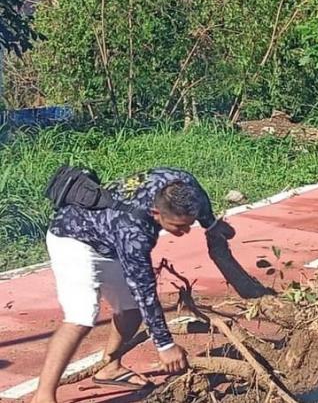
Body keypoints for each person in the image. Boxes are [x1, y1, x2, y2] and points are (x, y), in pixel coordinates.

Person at [31, 167, 234, 403]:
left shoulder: (183, 184)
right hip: (73, 238)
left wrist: (210, 225)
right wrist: (165, 345)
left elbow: (199, 195)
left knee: (131, 311)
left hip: (109, 237)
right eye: (178, 227)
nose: (186, 231)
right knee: (82, 317)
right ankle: (43, 395)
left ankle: (110, 367)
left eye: (189, 224)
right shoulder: (135, 232)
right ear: (156, 213)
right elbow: (144, 290)